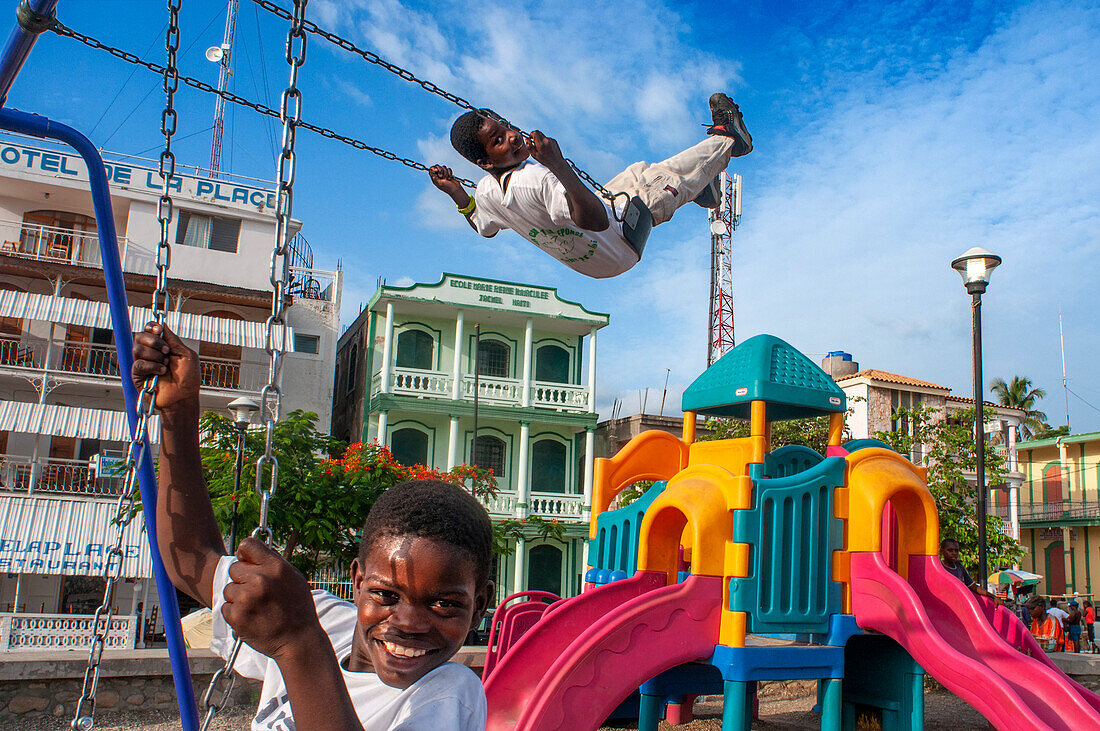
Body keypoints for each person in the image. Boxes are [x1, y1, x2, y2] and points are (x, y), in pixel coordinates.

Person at [132, 323, 494, 730]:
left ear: (480, 605)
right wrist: (179, 414)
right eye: (385, 594)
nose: (408, 622)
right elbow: (193, 559)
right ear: (356, 580)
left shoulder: (449, 695)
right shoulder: (323, 619)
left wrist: (298, 644)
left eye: (444, 603)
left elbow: (297, 640)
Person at [428, 93, 752, 279]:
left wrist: (456, 192)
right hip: (618, 242)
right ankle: (729, 138)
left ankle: (701, 186)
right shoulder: (537, 179)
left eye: (507, 127)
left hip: (595, 261)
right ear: (485, 162)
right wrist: (556, 164)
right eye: (498, 140)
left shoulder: (485, 191)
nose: (512, 135)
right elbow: (594, 221)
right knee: (663, 182)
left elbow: (483, 226)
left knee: (637, 171)